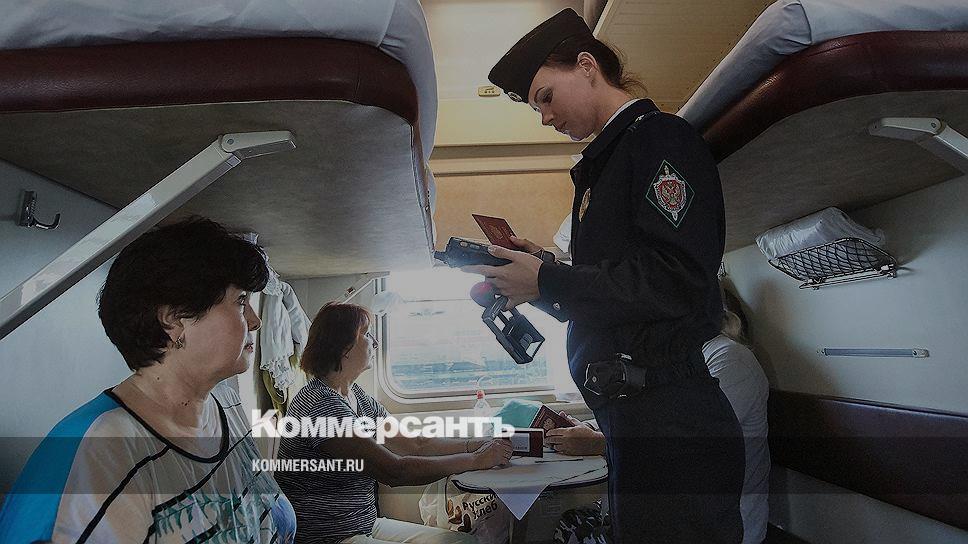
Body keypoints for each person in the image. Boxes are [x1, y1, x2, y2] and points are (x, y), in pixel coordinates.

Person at [464, 8, 744, 543]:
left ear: (587, 65)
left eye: (546, 97)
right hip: (634, 422)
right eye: (537, 107)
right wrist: (541, 273)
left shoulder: (659, 139)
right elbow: (617, 294)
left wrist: (549, 282)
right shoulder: (607, 163)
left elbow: (677, 277)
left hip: (671, 424)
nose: (545, 117)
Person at [0, 217, 296, 543]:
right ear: (174, 321)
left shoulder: (226, 404)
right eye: (240, 302)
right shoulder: (102, 449)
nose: (254, 321)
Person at [275, 303, 511, 544]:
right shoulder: (320, 406)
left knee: (464, 542)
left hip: (363, 523)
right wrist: (476, 460)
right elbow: (395, 471)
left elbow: (416, 444)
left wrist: (477, 444)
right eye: (367, 334)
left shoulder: (356, 396)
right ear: (345, 347)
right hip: (329, 536)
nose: (375, 342)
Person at [547, 292, 771, 543]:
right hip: (671, 513)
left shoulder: (729, 358)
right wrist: (588, 427)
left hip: (715, 523)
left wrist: (596, 443)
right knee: (570, 522)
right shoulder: (676, 357)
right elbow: (644, 416)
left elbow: (684, 445)